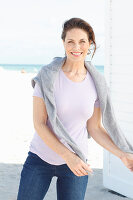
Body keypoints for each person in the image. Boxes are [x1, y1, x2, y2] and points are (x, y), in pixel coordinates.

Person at [17, 18, 133, 200]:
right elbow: (39, 124)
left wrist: (121, 154)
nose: (76, 47)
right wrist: (67, 155)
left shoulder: (96, 83)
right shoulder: (47, 76)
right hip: (40, 159)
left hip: (77, 162)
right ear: (63, 43)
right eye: (70, 41)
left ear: (90, 44)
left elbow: (94, 128)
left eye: (82, 42)